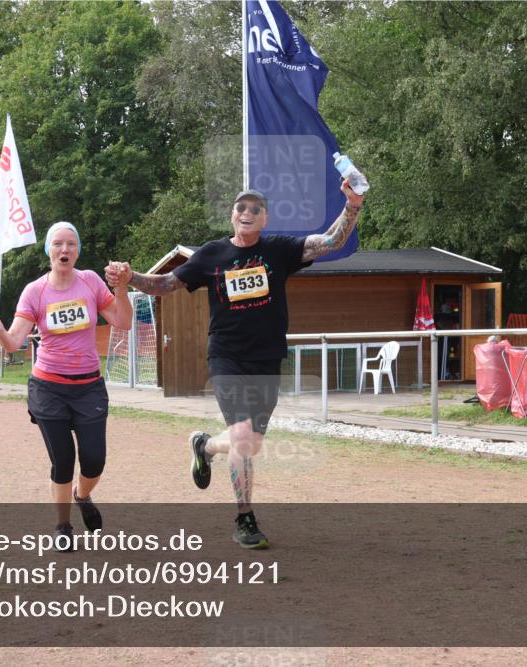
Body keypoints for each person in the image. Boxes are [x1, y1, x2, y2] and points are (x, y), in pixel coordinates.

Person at [106, 180, 364, 548]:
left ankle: (206, 446)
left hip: (267, 359)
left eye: (255, 209)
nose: (247, 213)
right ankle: (245, 519)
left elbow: (332, 241)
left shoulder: (279, 250)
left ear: (265, 219)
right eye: (241, 207)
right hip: (226, 357)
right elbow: (164, 285)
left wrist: (352, 205)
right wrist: (130, 278)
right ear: (232, 215)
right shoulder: (212, 255)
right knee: (242, 437)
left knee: (250, 444)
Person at [0, 221, 132, 550]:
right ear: (48, 250)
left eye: (71, 244)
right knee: (63, 461)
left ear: (77, 251)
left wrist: (121, 288)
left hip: (88, 387)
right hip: (48, 388)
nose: (64, 249)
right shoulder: (35, 291)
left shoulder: (90, 282)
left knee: (94, 460)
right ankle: (62, 527)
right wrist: (0, 330)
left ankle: (82, 495)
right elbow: (14, 343)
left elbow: (123, 322)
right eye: (58, 244)